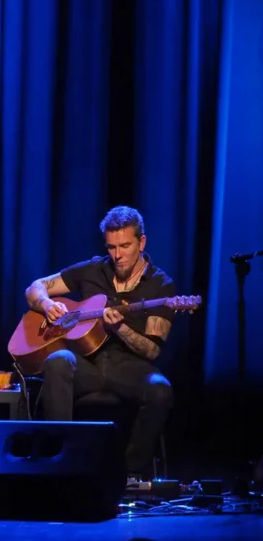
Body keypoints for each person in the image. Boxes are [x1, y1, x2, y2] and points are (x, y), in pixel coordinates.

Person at [24, 205, 175, 486]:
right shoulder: (93, 269)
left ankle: (132, 476)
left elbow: (153, 351)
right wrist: (46, 304)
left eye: (125, 246)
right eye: (111, 247)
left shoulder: (161, 285)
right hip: (88, 365)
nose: (117, 255)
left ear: (141, 242)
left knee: (160, 390)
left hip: (130, 368)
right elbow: (35, 287)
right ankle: (60, 467)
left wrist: (120, 328)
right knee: (57, 361)